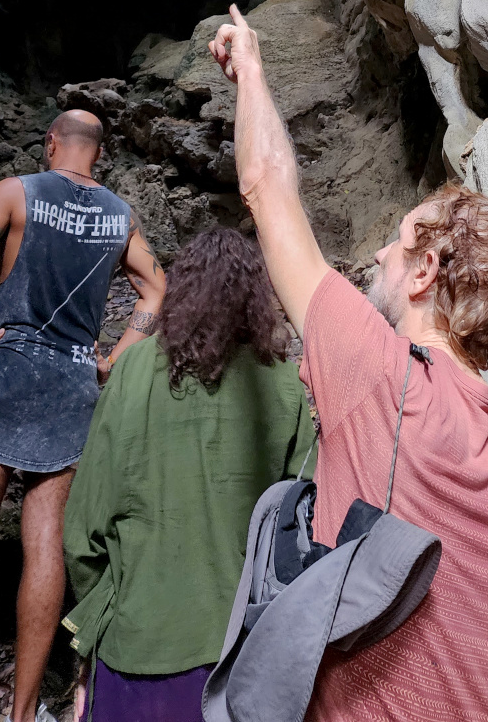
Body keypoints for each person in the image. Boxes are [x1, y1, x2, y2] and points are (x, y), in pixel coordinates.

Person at [208, 6, 488, 722]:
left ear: (425, 270)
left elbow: (266, 185)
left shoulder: (383, 378)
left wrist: (250, 68)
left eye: (397, 244)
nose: (378, 255)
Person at [0, 109, 166, 722]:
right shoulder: (120, 217)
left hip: (0, 381)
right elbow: (157, 292)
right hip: (71, 392)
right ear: (100, 154)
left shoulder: (17, 192)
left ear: (51, 143)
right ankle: (23, 712)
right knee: (46, 551)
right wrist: (111, 360)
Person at [63, 227, 316, 722]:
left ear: (181, 291)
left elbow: (83, 530)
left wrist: (93, 627)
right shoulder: (285, 384)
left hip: (137, 644)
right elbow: (302, 530)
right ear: (256, 302)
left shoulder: (132, 370)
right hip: (241, 655)